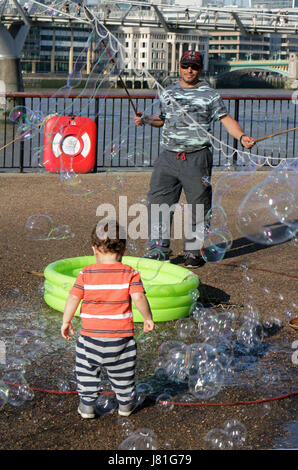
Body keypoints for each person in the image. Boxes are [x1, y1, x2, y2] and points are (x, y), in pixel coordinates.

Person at [133, 50, 255, 268]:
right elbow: (162, 119)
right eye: (186, 65)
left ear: (200, 69)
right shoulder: (167, 92)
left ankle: (193, 252)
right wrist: (145, 119)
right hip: (168, 157)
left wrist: (242, 136)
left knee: (199, 206)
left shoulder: (210, 94)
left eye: (195, 66)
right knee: (158, 204)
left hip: (197, 158)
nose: (190, 70)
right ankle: (158, 250)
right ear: (179, 66)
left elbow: (226, 119)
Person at [61, 221, 154, 419]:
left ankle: (87, 406)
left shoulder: (85, 273)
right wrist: (148, 318)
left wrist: (66, 321)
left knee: (87, 374)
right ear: (125, 249)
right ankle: (125, 406)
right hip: (121, 341)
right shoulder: (130, 272)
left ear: (94, 249)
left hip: (90, 340)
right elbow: (139, 297)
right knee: (123, 377)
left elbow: (73, 298)